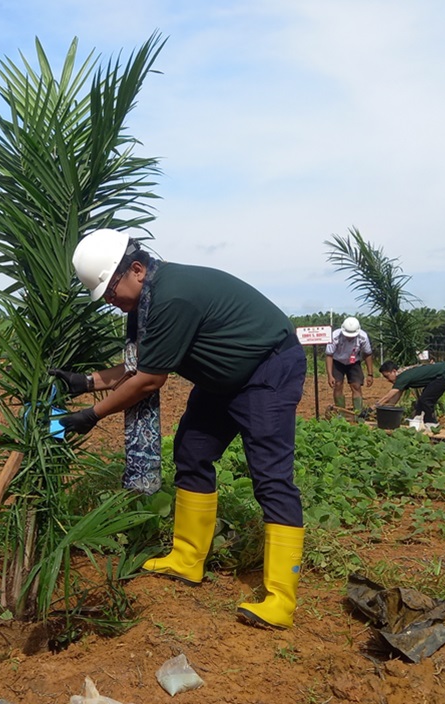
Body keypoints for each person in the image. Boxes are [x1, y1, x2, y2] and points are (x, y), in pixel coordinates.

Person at [54, 229, 306, 630]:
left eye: (110, 290)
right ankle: (188, 559)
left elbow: (150, 380)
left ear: (136, 269)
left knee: (271, 477)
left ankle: (280, 597)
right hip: (222, 378)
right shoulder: (146, 301)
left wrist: (92, 415)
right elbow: (138, 365)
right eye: (103, 297)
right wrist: (83, 382)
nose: (111, 302)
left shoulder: (172, 296)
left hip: (267, 368)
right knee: (191, 453)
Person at [374, 360, 445, 429]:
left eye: (387, 376)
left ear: (394, 371)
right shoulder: (402, 375)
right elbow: (395, 398)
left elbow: (389, 395)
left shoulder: (402, 377)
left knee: (426, 399)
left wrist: (375, 406)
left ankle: (432, 424)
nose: (387, 380)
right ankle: (420, 421)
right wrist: (388, 410)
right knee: (424, 398)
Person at [324, 316, 373, 413]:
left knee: (356, 386)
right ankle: (340, 413)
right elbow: (329, 355)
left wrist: (370, 374)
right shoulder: (335, 336)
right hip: (337, 362)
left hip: (354, 363)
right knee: (337, 385)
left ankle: (358, 414)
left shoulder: (363, 337)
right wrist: (330, 375)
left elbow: (368, 354)